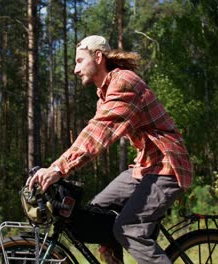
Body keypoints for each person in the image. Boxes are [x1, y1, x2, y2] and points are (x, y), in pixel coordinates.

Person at [29, 35, 193, 263]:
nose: (75, 70)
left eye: (79, 61)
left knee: (128, 228)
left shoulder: (124, 83)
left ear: (98, 57)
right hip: (144, 168)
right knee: (98, 214)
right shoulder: (105, 95)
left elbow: (98, 133)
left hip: (167, 166)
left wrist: (58, 168)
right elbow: (95, 137)